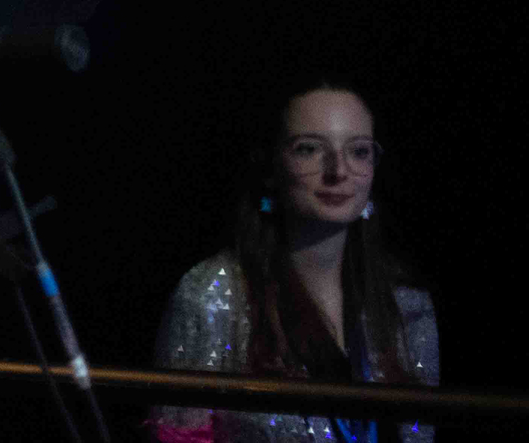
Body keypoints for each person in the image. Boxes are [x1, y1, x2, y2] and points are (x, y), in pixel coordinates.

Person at [151, 83, 439, 443]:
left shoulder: (407, 303)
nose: (338, 171)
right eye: (309, 149)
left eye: (358, 151)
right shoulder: (212, 293)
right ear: (271, 167)